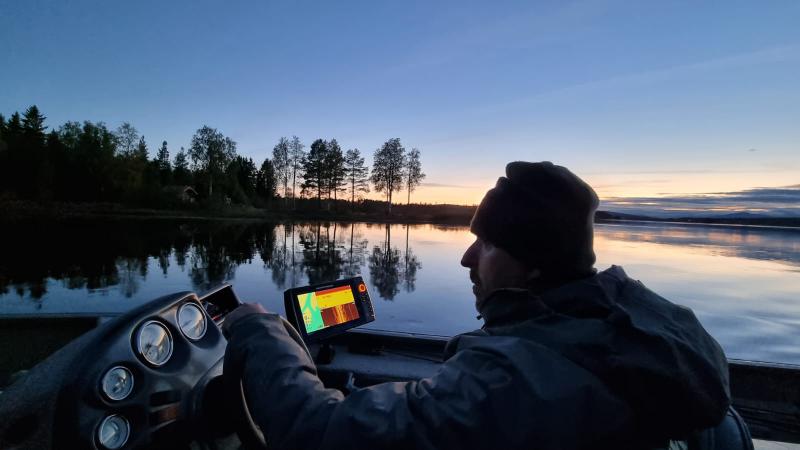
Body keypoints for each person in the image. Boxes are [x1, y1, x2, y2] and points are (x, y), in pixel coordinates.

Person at [223, 161, 730, 450]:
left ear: (533, 265)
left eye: (486, 244)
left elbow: (318, 433)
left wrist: (262, 333)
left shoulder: (512, 381)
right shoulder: (641, 341)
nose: (467, 258)